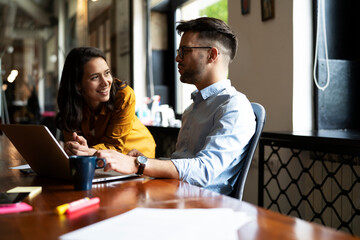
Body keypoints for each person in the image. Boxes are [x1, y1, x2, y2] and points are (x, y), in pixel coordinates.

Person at [96, 17, 256, 195]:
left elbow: (204, 171)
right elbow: (182, 161)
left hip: (205, 208)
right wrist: (143, 159)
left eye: (184, 51)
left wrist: (138, 164)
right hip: (175, 196)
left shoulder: (234, 106)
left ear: (212, 55)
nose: (177, 58)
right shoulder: (192, 108)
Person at [56, 47, 156, 158]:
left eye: (107, 73)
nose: (105, 82)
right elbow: (74, 148)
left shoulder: (123, 95)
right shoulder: (71, 104)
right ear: (78, 84)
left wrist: (86, 151)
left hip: (137, 156)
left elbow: (115, 147)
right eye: (95, 77)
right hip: (100, 160)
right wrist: (75, 148)